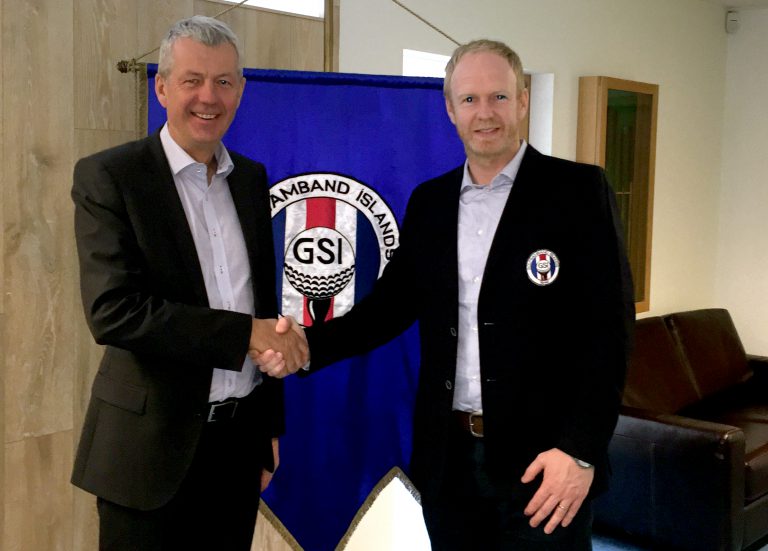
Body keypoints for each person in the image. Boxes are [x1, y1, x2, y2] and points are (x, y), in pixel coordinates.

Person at [257, 39, 634, 550]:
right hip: (449, 464)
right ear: (451, 110)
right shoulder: (430, 202)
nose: (485, 113)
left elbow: (610, 334)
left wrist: (581, 452)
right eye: (470, 99)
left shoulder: (579, 191)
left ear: (523, 101)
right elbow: (387, 310)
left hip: (546, 465)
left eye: (499, 97)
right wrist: (303, 346)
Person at [71, 16, 307, 551]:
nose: (209, 97)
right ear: (161, 88)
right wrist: (245, 334)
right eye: (192, 80)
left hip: (237, 449)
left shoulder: (251, 178)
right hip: (147, 455)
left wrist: (267, 428)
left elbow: (260, 301)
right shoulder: (111, 177)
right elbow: (114, 311)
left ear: (241, 90)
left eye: (223, 81)